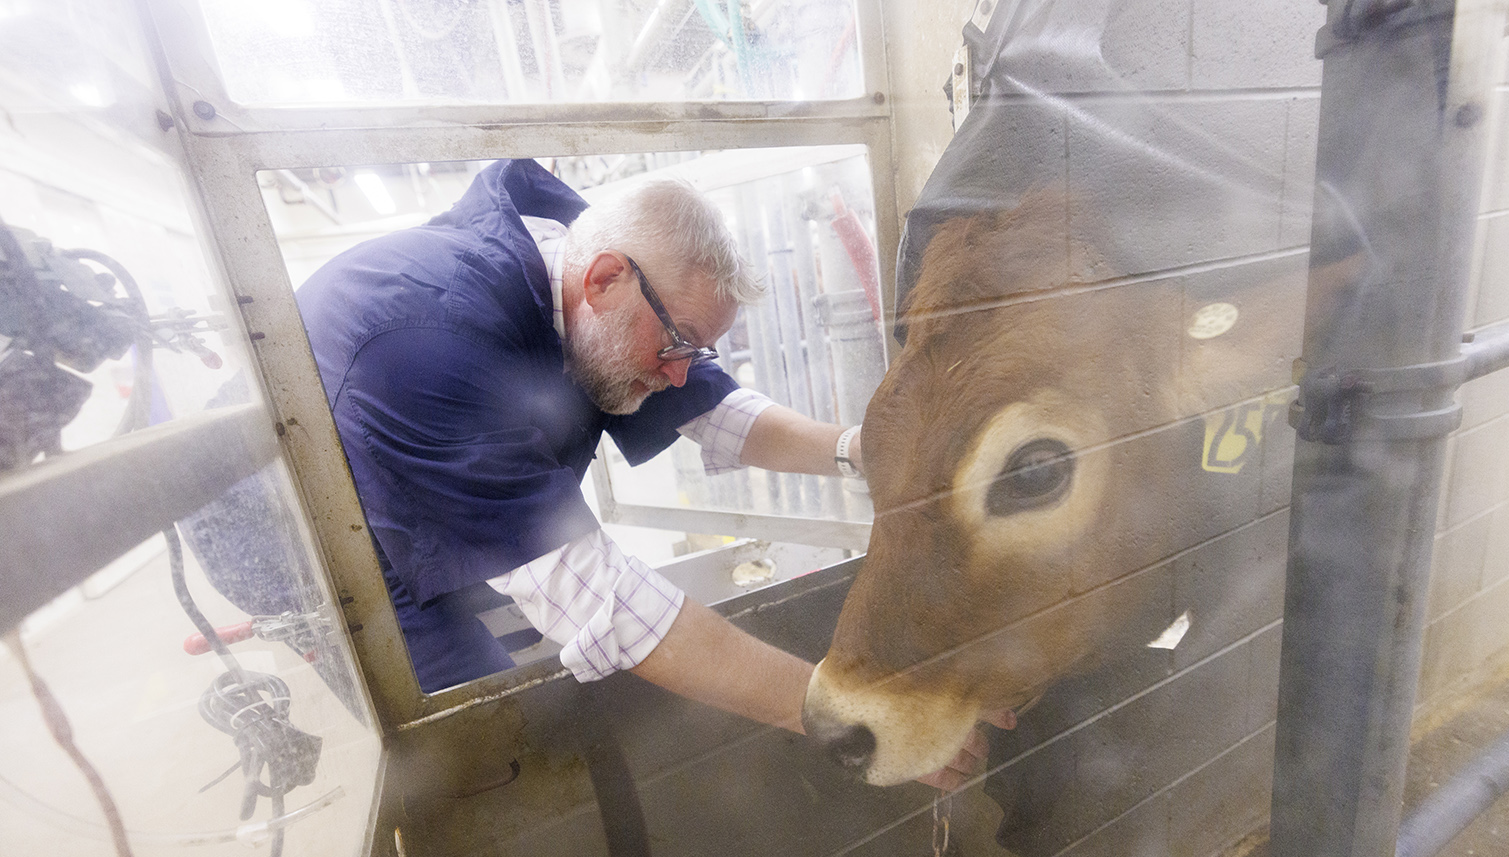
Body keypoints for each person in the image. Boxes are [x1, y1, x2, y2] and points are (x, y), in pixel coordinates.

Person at [296, 158, 1000, 788]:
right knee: (487, 754)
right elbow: (607, 605)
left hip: (433, 496)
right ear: (604, 279)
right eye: (678, 345)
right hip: (329, 552)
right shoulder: (421, 346)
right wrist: (854, 721)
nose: (677, 372)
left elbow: (716, 409)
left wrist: (863, 452)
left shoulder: (588, 280)